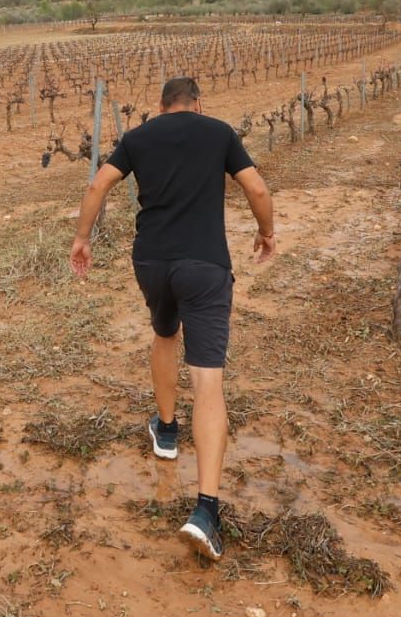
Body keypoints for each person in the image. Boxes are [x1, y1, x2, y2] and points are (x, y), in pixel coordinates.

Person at [69, 76, 275, 560]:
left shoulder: (139, 137)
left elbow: (98, 182)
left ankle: (165, 431)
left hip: (153, 263)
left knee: (164, 333)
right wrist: (266, 232)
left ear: (161, 106)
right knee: (208, 381)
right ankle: (205, 511)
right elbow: (257, 187)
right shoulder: (219, 132)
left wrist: (82, 238)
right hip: (204, 267)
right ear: (198, 104)